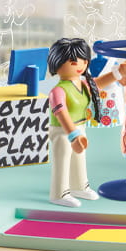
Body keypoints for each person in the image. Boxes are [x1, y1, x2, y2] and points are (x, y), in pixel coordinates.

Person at [45, 37, 104, 208]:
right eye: (73, 61)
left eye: (84, 60)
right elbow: (61, 113)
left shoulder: (82, 84)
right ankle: (59, 193)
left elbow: (98, 85)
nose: (81, 64)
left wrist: (117, 74)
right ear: (57, 62)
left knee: (79, 158)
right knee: (62, 160)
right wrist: (73, 135)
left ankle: (79, 186)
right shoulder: (58, 90)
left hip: (79, 127)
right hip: (62, 130)